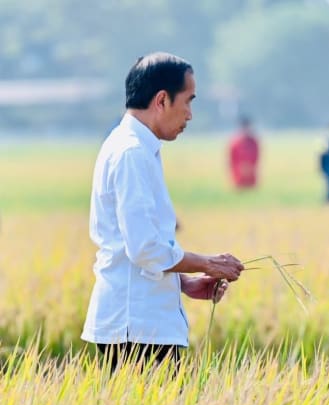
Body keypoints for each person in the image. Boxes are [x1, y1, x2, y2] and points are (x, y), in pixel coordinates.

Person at [83, 53, 245, 370]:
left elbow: (137, 250)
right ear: (161, 100)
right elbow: (145, 248)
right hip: (137, 329)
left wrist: (182, 283)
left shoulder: (134, 146)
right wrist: (210, 263)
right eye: (188, 101)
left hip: (138, 323)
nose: (190, 115)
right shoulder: (132, 153)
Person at [229, 115, 260, 190]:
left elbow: (257, 157)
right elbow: (232, 160)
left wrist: (250, 167)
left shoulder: (253, 142)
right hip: (239, 177)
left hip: (251, 177)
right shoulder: (235, 142)